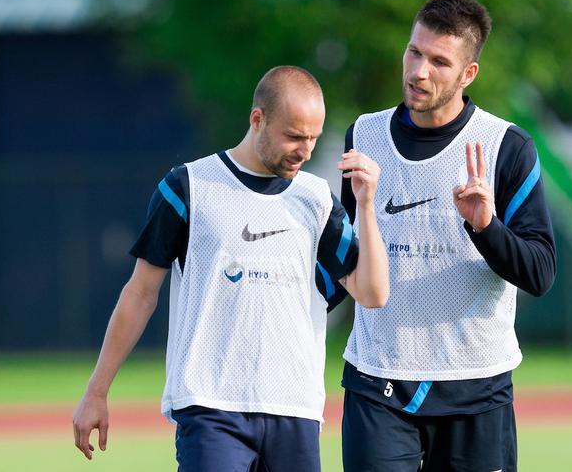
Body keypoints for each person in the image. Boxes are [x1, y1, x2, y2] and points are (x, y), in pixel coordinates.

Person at [72, 65, 389, 472]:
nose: (305, 151)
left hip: (295, 408)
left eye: (312, 138)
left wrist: (365, 205)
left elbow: (374, 293)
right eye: (294, 136)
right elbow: (140, 292)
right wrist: (97, 391)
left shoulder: (317, 200)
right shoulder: (187, 186)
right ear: (257, 119)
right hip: (210, 407)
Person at [339, 0, 556, 472]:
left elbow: (540, 273)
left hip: (476, 388)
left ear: (467, 74)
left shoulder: (508, 146)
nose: (419, 72)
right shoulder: (364, 136)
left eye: (440, 61)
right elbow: (344, 257)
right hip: (377, 382)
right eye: (415, 52)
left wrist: (485, 226)